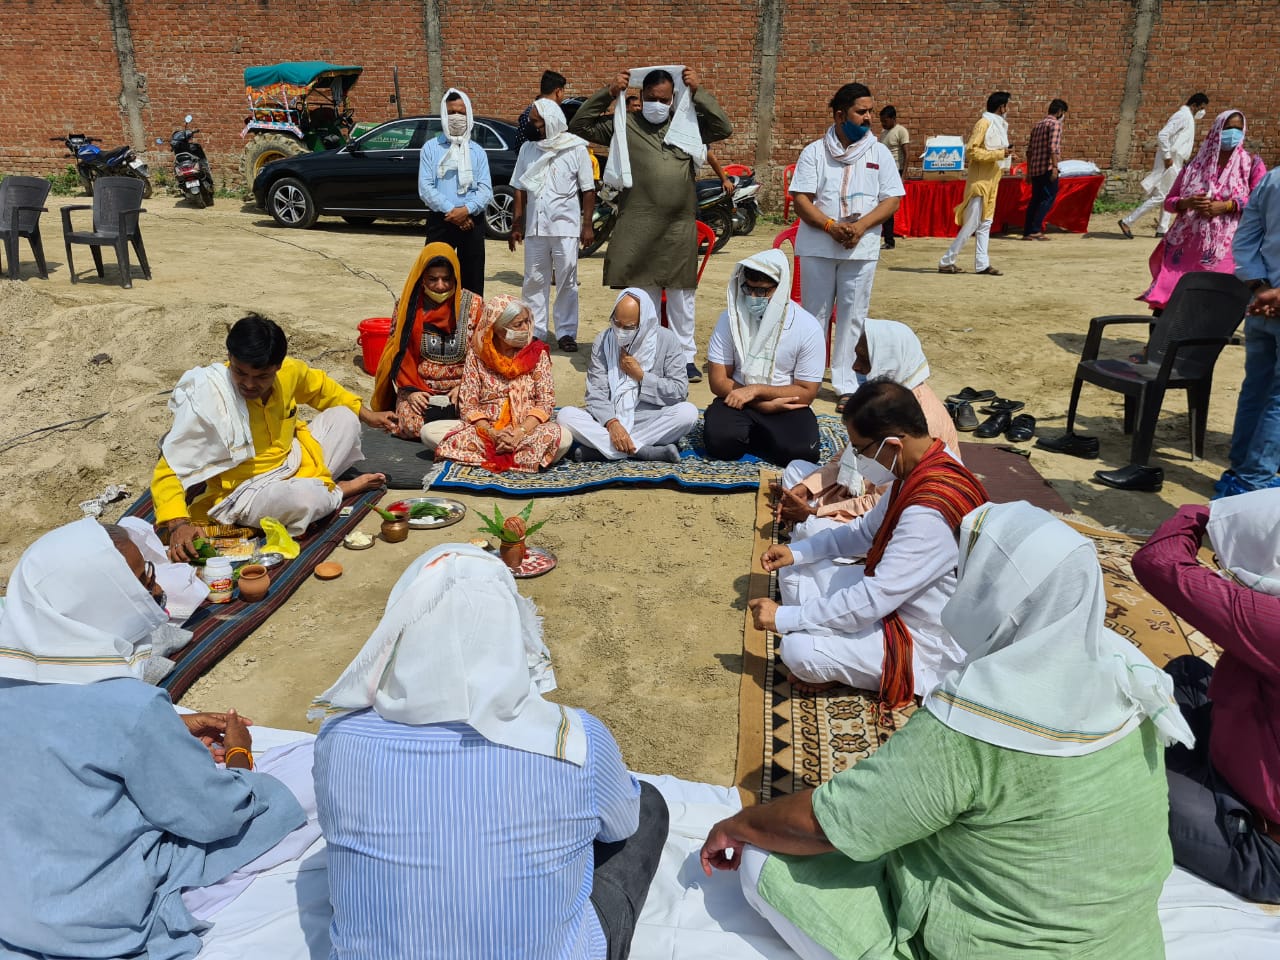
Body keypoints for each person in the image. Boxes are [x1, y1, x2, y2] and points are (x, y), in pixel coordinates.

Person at [704, 502, 1193, 960]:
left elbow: (829, 825)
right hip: (1130, 945)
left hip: (1000, 947)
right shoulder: (1129, 673)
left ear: (993, 591)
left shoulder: (981, 717)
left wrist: (737, 825)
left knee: (762, 859)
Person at [312, 543, 669, 960]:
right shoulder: (574, 741)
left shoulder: (338, 736)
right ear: (509, 628)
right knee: (644, 805)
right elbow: (619, 828)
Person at [0, 519, 306, 960]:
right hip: (92, 921)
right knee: (294, 786)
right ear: (99, 598)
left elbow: (54, 735)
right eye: (142, 578)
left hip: (13, 905)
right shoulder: (129, 706)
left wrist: (171, 729)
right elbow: (214, 816)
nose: (157, 588)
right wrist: (239, 753)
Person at [748, 379, 988, 699]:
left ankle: (843, 657)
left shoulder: (928, 512)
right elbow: (864, 532)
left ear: (891, 445)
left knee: (798, 649)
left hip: (925, 636)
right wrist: (798, 552)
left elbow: (873, 599)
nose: (858, 461)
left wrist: (784, 618)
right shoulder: (924, 464)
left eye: (860, 451)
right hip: (896, 595)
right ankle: (832, 636)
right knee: (795, 569)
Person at [1132, 490, 1280, 902]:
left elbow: (1157, 562)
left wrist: (1209, 514)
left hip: (1262, 846)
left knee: (1124, 777)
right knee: (1187, 672)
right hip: (1242, 752)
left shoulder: (1272, 624)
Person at [152, 314, 393, 560]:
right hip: (248, 492)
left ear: (277, 367)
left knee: (345, 418)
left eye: (261, 377)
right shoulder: (211, 397)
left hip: (296, 459)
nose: (248, 384)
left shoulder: (289, 371)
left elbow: (321, 389)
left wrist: (368, 415)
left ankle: (319, 491)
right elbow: (170, 466)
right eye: (239, 373)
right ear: (230, 359)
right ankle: (338, 491)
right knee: (304, 498)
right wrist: (178, 524)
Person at [570, 65, 733, 383]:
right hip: (638, 225)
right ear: (641, 97)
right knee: (643, 297)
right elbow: (580, 124)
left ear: (674, 99)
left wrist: (699, 93)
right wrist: (608, 92)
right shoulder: (624, 124)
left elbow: (723, 127)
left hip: (678, 226)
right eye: (651, 98)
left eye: (664, 99)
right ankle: (647, 353)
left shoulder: (686, 125)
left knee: (680, 298)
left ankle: (685, 358)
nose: (658, 104)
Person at [775, 318, 960, 536]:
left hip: (892, 514)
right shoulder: (885, 401)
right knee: (796, 470)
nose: (855, 366)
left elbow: (881, 503)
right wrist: (807, 488)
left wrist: (815, 513)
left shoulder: (914, 423)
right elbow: (847, 455)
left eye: (863, 359)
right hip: (860, 491)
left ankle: (805, 527)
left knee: (812, 530)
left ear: (888, 363)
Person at [790, 82, 905, 410]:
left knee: (854, 315)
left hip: (861, 246)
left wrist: (860, 227)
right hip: (818, 245)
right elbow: (801, 199)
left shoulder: (879, 151)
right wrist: (829, 226)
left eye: (870, 111)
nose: (869, 117)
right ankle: (807, 377)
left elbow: (892, 199)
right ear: (841, 115)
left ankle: (846, 383)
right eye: (861, 111)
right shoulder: (814, 151)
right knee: (815, 315)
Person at [704, 250, 825, 465]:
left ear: (780, 289)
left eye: (761, 291)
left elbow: (807, 392)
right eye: (748, 288)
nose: (752, 297)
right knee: (720, 443)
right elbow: (718, 380)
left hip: (783, 402)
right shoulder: (730, 320)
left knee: (802, 454)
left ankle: (758, 436)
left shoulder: (807, 327)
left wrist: (757, 390)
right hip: (737, 398)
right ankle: (757, 435)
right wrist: (758, 403)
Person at [428, 294, 572, 472]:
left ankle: (495, 454)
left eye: (527, 321)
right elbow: (469, 405)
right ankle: (523, 457)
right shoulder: (478, 355)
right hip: (486, 432)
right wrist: (493, 433)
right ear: (496, 329)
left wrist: (520, 432)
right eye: (518, 325)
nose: (526, 328)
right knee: (429, 432)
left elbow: (545, 402)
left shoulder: (537, 353)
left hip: (527, 430)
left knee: (564, 438)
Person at [1140, 110, 1265, 312]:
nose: (1233, 133)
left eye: (1237, 128)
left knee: (1210, 300)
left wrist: (1227, 206)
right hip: (1186, 245)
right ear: (1216, 130)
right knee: (1171, 296)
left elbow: (1260, 200)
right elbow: (1170, 203)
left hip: (1225, 248)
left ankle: (1198, 342)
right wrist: (1188, 202)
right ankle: (1158, 343)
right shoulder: (1195, 165)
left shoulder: (1251, 164)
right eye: (1228, 128)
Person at [558, 288, 697, 463]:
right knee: (565, 415)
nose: (620, 331)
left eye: (629, 327)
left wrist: (641, 377)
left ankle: (602, 451)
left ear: (644, 323)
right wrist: (612, 423)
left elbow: (679, 392)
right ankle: (643, 451)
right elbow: (596, 393)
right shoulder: (603, 340)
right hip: (609, 419)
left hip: (649, 418)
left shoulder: (667, 340)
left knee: (688, 413)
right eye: (616, 323)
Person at [371, 243, 485, 443]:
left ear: (455, 277)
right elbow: (397, 354)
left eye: (446, 279)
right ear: (422, 277)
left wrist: (465, 388)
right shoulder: (407, 305)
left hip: (462, 388)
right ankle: (456, 436)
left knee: (482, 416)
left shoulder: (474, 305)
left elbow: (484, 355)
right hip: (420, 389)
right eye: (432, 279)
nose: (440, 286)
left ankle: (446, 433)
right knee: (410, 423)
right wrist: (411, 391)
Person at [509, 97, 596, 352]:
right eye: (533, 123)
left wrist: (587, 225)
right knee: (534, 280)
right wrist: (517, 223)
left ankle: (567, 332)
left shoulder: (576, 148)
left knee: (567, 281)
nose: (534, 127)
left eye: (538, 123)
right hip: (535, 227)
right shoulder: (528, 149)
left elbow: (588, 190)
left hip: (566, 227)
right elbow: (520, 188)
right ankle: (535, 331)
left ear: (552, 121)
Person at [1218, 164, 1280, 497]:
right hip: (1269, 299)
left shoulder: (1273, 178)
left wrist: (1261, 287)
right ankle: (1254, 483)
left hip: (1261, 301)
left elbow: (1244, 241)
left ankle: (1241, 470)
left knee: (1257, 388)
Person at [418, 87, 493, 295]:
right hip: (441, 220)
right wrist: (453, 212)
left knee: (472, 281)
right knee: (435, 276)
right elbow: (425, 188)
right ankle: (435, 324)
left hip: (472, 222)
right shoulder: (431, 149)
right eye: (451, 112)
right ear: (443, 114)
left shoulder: (477, 152)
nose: (456, 117)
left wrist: (466, 210)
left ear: (468, 114)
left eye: (461, 112)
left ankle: (468, 325)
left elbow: (485, 190)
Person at [939, 91, 1012, 276]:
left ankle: (982, 264)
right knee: (972, 225)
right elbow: (971, 152)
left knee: (985, 224)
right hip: (979, 183)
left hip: (992, 181)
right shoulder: (984, 123)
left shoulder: (998, 125)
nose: (1007, 110)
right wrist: (998, 154)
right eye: (1006, 106)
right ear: (1001, 107)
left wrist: (1004, 154)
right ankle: (946, 261)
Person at [1121, 92, 1209, 239]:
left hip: (1176, 160)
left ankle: (1162, 228)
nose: (1202, 111)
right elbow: (1163, 135)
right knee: (1161, 195)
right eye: (1201, 108)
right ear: (1194, 106)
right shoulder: (1182, 116)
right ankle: (1127, 221)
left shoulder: (1188, 117)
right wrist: (1168, 157)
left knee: (1169, 195)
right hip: (1170, 161)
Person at [1023, 98, 1068, 240]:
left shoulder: (1037, 125)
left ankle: (1027, 231)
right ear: (1060, 112)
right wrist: (1055, 167)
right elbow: (1053, 148)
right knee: (1048, 198)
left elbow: (1029, 151)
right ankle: (1036, 229)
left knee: (1035, 200)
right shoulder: (1055, 125)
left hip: (1035, 168)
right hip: (1047, 168)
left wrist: (1029, 171)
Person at [878, 105, 909, 248]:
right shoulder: (883, 133)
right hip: (882, 172)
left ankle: (889, 241)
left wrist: (903, 174)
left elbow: (906, 154)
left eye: (885, 121)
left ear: (893, 119)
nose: (883, 124)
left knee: (888, 206)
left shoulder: (901, 131)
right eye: (881, 121)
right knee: (881, 205)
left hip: (895, 171)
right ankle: (885, 238)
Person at [515, 69, 568, 145]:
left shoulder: (557, 115)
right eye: (563, 92)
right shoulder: (529, 116)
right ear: (558, 92)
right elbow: (521, 147)